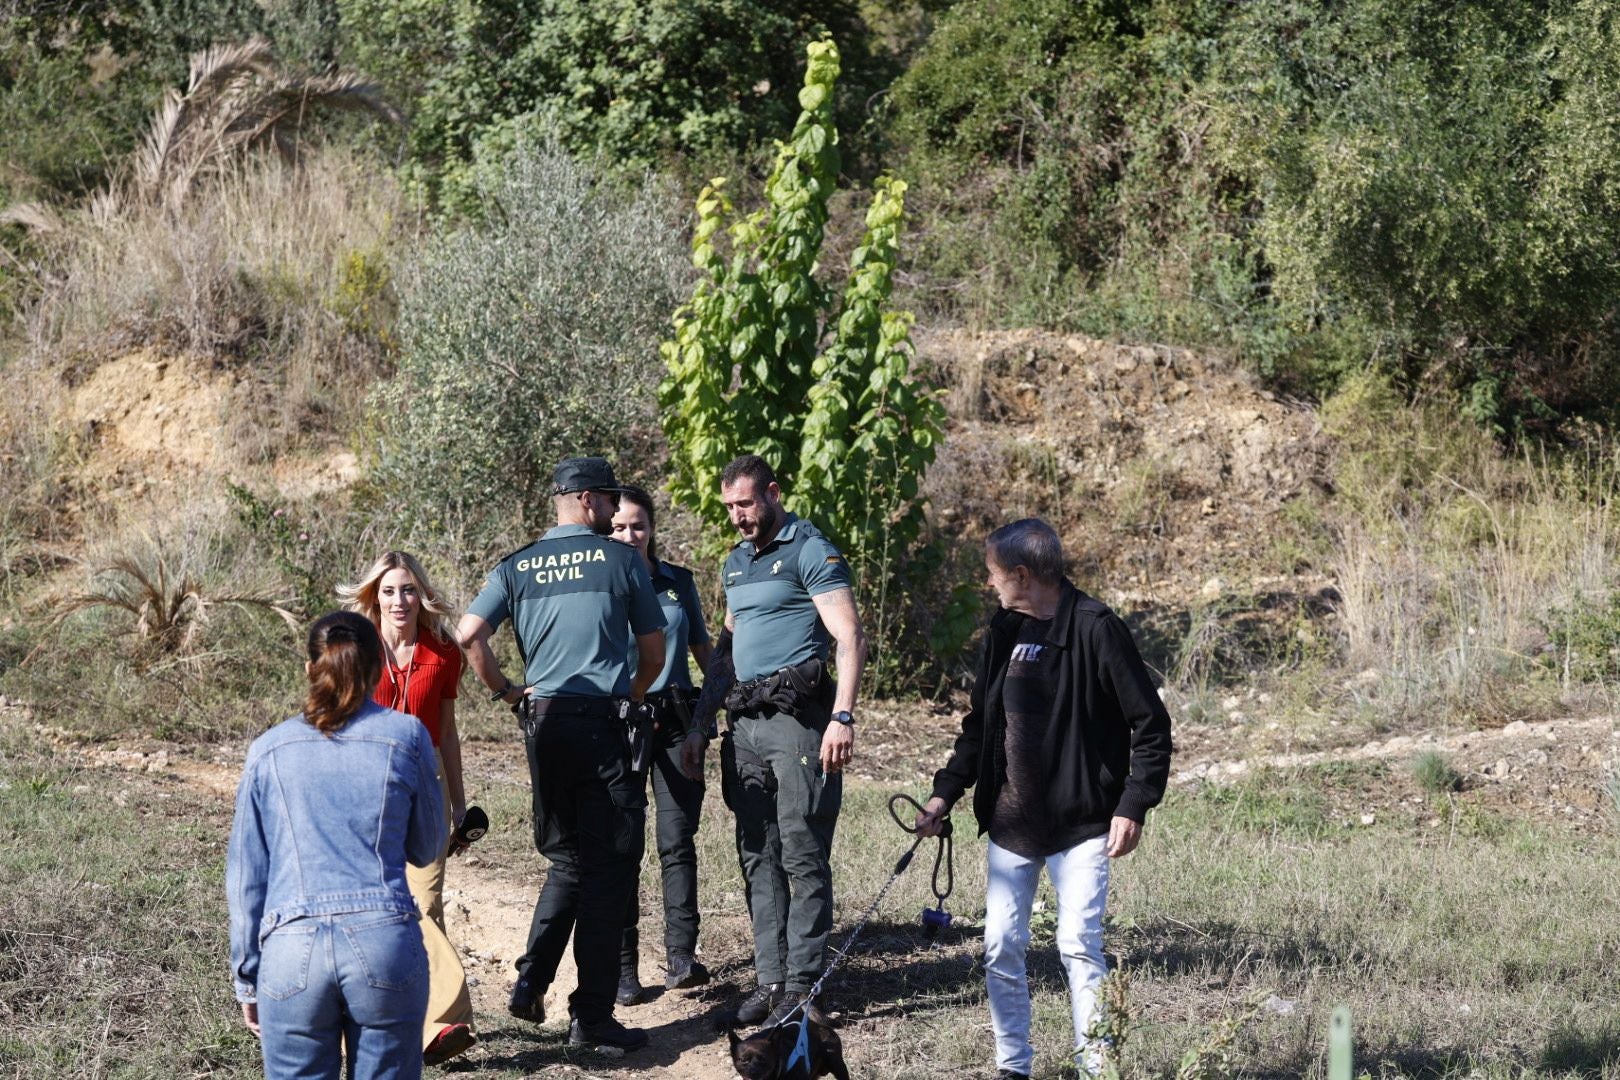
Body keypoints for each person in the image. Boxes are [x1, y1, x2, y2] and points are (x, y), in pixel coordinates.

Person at [913, 519, 1173, 1080]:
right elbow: (979, 726)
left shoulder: (1097, 627)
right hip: (1011, 824)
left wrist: (1133, 803)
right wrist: (943, 795)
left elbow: (1150, 725)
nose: (990, 585)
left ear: (1022, 575)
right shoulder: (1005, 630)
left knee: (1079, 945)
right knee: (1000, 947)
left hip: (1082, 824)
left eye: (993, 575)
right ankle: (1014, 1068)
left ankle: (1097, 1069)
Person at [457, 456, 665, 1052]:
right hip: (600, 726)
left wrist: (507, 694)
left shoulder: (518, 565)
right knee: (609, 871)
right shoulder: (623, 560)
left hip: (543, 726)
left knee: (568, 860)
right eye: (606, 501)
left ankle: (530, 983)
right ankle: (592, 1017)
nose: (612, 512)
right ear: (586, 501)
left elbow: (469, 635)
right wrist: (630, 695)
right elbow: (653, 652)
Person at [681, 454, 867, 1028]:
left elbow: (850, 636)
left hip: (799, 724)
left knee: (802, 850)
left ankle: (803, 986)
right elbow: (725, 655)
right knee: (757, 852)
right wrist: (698, 725)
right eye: (730, 507)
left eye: (746, 503)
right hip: (745, 729)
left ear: (773, 493)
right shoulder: (735, 564)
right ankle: (770, 980)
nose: (738, 516)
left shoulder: (810, 550)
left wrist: (843, 717)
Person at [227, 611, 447, 1080]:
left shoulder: (268, 749)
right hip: (384, 942)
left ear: (311, 669)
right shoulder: (407, 736)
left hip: (291, 950)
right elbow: (427, 847)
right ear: (377, 670)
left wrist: (248, 980)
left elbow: (247, 880)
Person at [339, 551, 477, 1066]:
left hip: (424, 792)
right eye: (390, 591)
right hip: (364, 792)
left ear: (422, 595)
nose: (400, 600)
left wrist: (459, 804)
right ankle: (405, 1021)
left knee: (424, 902)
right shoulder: (354, 648)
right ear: (376, 595)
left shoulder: (442, 653)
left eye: (409, 590)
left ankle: (444, 1024)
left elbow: (446, 734)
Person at [609, 485, 715, 1005]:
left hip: (675, 720)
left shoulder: (678, 583)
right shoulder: (600, 584)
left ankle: (681, 957)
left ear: (652, 529)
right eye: (619, 527)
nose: (630, 536)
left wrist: (713, 713)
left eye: (638, 526)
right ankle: (625, 970)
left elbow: (704, 651)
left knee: (677, 841)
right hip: (619, 723)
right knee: (623, 844)